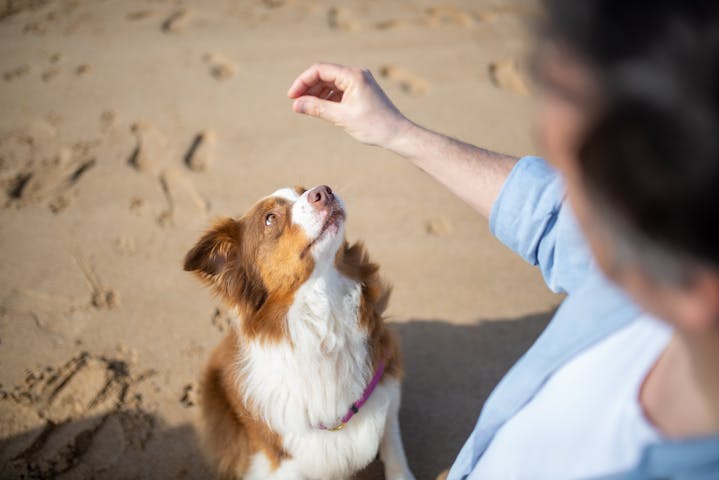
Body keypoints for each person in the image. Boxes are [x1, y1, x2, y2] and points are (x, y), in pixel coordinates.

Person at [287, 1, 719, 479]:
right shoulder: (655, 267)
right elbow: (546, 215)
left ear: (697, 286)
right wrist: (397, 132)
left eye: (585, 183)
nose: (566, 205)